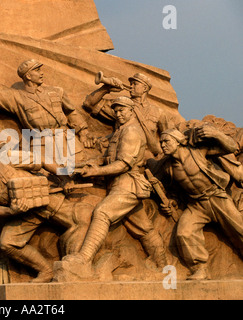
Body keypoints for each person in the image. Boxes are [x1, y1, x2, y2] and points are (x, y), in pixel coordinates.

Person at [0, 140, 94, 283]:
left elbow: (41, 160)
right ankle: (46, 270)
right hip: (23, 214)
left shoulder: (5, 159)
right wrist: (11, 211)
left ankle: (83, 262)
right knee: (7, 243)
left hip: (45, 200)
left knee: (81, 220)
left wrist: (65, 179)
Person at [64, 96, 168, 268]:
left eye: (122, 110)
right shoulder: (120, 131)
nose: (118, 114)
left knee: (102, 213)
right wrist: (87, 165)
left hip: (128, 185)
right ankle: (163, 266)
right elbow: (108, 158)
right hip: (118, 184)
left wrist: (96, 172)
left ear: (131, 110)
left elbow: (123, 164)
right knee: (144, 228)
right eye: (116, 111)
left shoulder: (132, 132)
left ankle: (83, 259)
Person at [0, 59, 92, 175]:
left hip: (67, 139)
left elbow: (71, 112)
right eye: (37, 70)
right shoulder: (17, 97)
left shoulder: (56, 91)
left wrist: (83, 131)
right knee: (49, 176)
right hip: (42, 142)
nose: (42, 73)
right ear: (28, 75)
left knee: (81, 171)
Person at [152, 127, 243, 280]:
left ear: (177, 141)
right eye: (161, 142)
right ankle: (200, 269)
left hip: (217, 197)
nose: (162, 145)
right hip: (197, 204)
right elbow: (174, 191)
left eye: (166, 141)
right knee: (184, 233)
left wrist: (216, 133)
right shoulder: (168, 167)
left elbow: (231, 147)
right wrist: (172, 202)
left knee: (240, 228)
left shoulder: (198, 151)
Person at [83, 72, 182, 159]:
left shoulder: (158, 112)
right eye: (131, 84)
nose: (131, 86)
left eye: (135, 84)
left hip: (147, 157)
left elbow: (171, 135)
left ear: (145, 88)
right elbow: (89, 104)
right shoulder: (121, 105)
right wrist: (106, 88)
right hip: (122, 154)